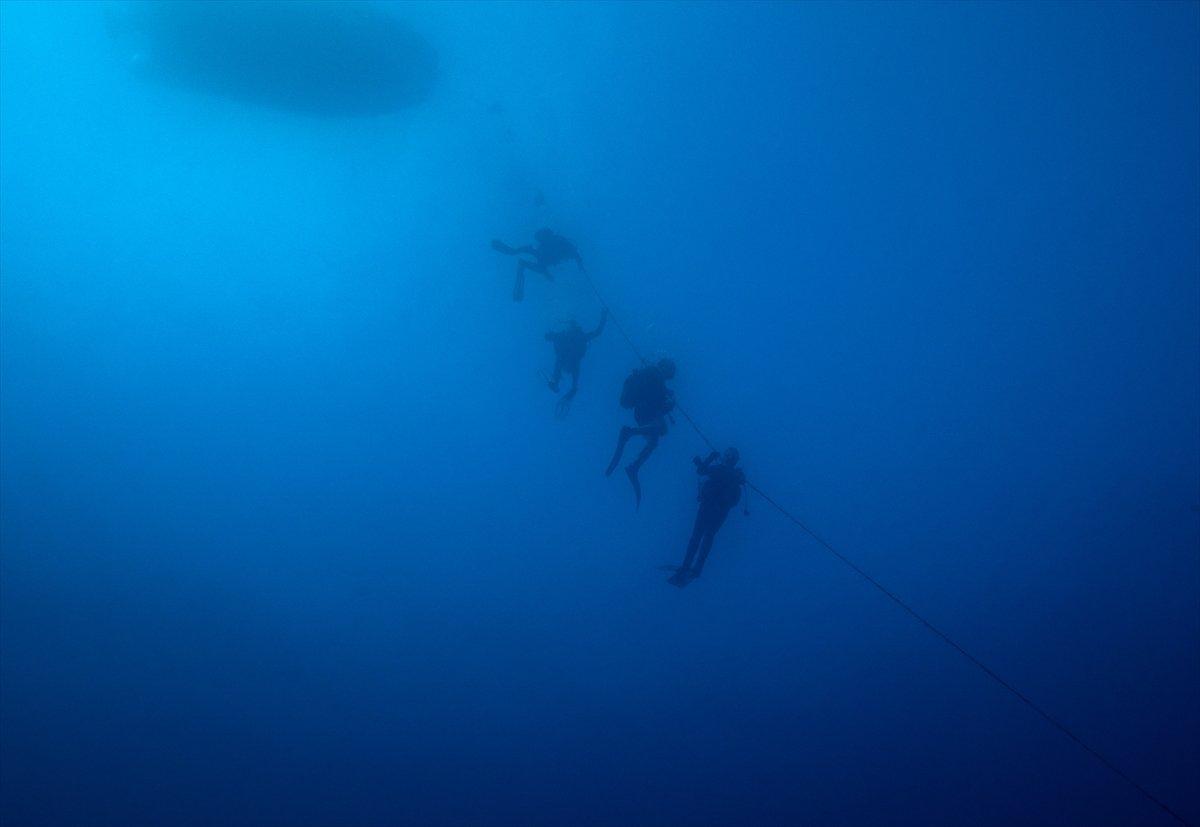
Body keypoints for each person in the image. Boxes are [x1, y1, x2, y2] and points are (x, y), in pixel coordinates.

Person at [668, 448, 746, 587]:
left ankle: (686, 566)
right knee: (709, 537)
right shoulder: (736, 475)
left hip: (707, 507)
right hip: (721, 512)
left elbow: (701, 471)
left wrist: (710, 457)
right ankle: (698, 568)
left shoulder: (721, 469)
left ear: (727, 457)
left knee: (696, 537)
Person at [605, 358, 676, 507]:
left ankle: (635, 466)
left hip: (643, 411)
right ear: (665, 368)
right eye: (669, 373)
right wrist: (670, 404)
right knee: (660, 429)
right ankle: (629, 433)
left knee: (654, 439)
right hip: (646, 411)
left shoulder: (651, 374)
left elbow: (656, 396)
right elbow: (659, 402)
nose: (669, 376)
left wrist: (666, 397)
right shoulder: (655, 374)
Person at [490, 228, 584, 302]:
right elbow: (543, 264)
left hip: (546, 257)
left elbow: (573, 252)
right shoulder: (554, 243)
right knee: (518, 251)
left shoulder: (558, 242)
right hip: (545, 257)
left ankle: (500, 246)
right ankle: (499, 246)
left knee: (517, 252)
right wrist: (579, 263)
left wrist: (579, 262)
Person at [545, 309, 607, 417]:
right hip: (572, 363)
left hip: (567, 362)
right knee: (566, 366)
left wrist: (550, 335)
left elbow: (548, 337)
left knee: (560, 362)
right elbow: (598, 332)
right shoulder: (580, 336)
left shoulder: (565, 336)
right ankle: (567, 386)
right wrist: (604, 316)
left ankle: (557, 381)